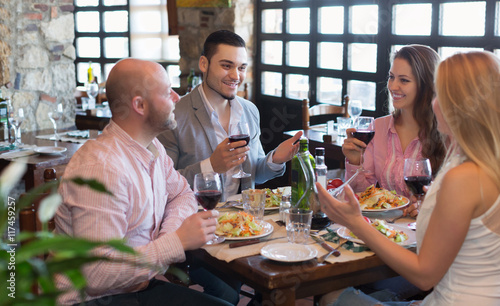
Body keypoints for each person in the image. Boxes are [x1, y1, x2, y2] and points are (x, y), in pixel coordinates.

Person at [318, 51, 500, 305]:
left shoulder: (464, 175)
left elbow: (425, 276)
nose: (435, 102)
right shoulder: (476, 161)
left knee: (331, 297)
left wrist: (356, 223)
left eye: (441, 93)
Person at [54, 58, 232, 306]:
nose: (177, 97)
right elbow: (97, 273)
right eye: (166, 91)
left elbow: (181, 194)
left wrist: (170, 237)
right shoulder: (102, 169)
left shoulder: (151, 145)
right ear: (139, 105)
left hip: (138, 287)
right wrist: (177, 242)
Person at [158, 30, 302, 198]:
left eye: (241, 68)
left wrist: (276, 158)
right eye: (226, 66)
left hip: (242, 219)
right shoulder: (172, 114)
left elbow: (255, 175)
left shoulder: (250, 110)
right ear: (204, 64)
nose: (235, 76)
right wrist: (211, 166)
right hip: (198, 217)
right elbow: (163, 184)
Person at [342, 44, 446, 218]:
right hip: (386, 229)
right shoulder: (377, 128)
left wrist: (430, 206)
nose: (393, 86)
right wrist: (354, 163)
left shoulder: (446, 133)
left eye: (404, 80)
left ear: (427, 85)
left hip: (428, 230)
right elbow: (361, 197)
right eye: (391, 77)